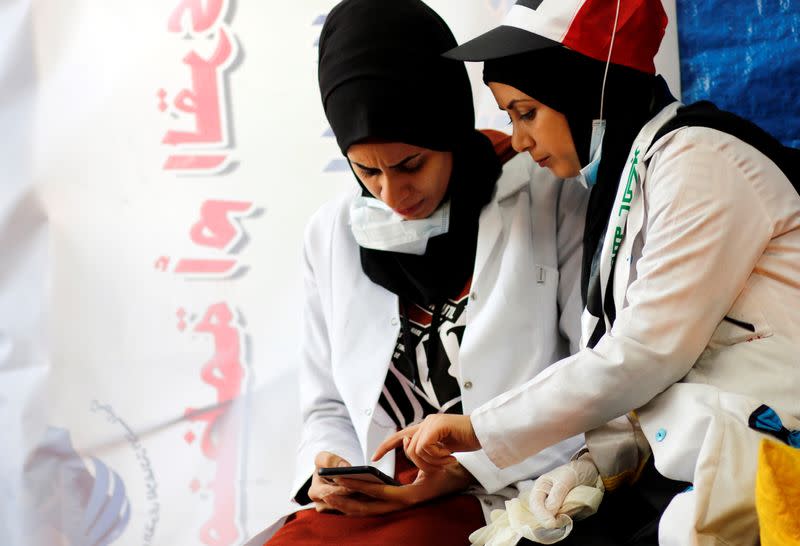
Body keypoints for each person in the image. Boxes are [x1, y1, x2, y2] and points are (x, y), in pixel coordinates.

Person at [375, 1, 800, 544]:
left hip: (767, 463)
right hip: (697, 465)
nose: (521, 142)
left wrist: (479, 428)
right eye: (510, 117)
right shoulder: (632, 179)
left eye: (526, 112)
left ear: (585, 91)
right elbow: (655, 378)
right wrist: (589, 466)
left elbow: (646, 353)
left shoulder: (701, 162)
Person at [251, 1, 589, 545]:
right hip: (380, 497)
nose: (393, 194)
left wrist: (464, 469)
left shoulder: (548, 198)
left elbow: (595, 380)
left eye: (411, 164)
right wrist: (328, 465)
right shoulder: (331, 233)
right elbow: (328, 405)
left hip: (505, 488)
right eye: (366, 170)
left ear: (450, 128)